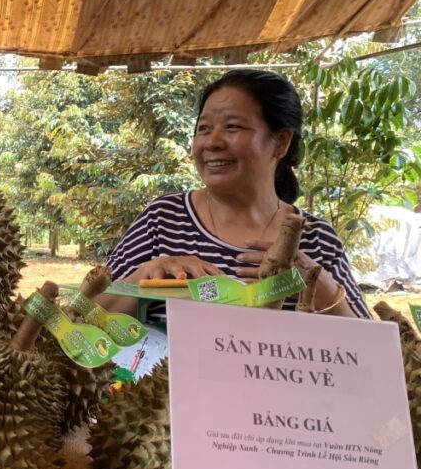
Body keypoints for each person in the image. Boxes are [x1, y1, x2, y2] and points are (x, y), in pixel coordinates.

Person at [97, 69, 369, 322]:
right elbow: (84, 317)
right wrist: (146, 273)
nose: (212, 142)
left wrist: (321, 289)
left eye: (232, 127)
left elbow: (373, 349)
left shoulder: (316, 239)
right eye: (204, 128)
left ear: (281, 141)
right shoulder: (164, 218)